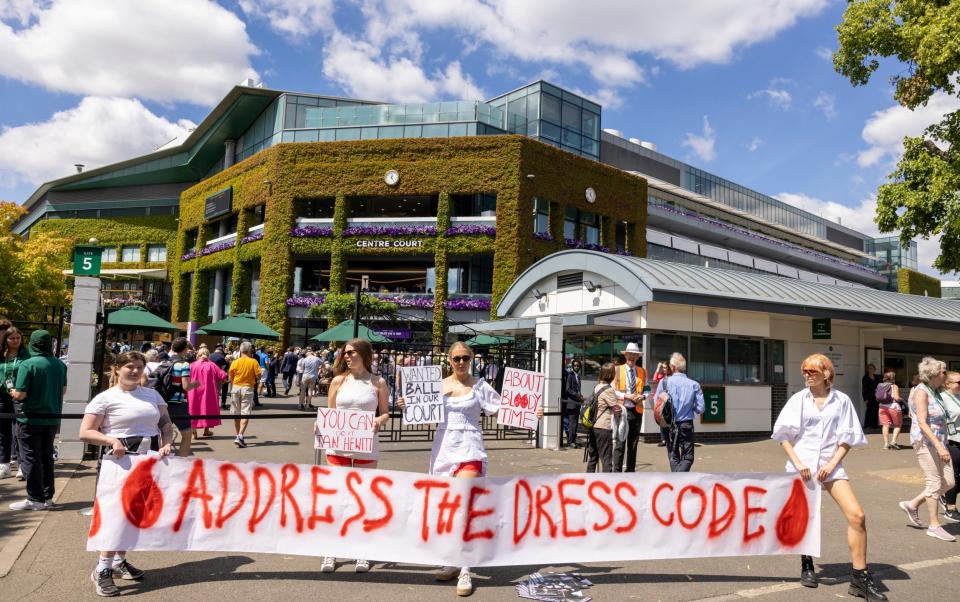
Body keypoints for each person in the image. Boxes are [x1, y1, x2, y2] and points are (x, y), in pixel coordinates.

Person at [397, 341, 539, 597]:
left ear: (471, 358)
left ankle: (465, 567)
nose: (461, 362)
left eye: (465, 358)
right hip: (443, 449)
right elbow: (420, 410)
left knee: (465, 506)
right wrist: (406, 404)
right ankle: (451, 561)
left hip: (470, 447)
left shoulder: (480, 386)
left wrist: (529, 411)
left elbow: (501, 409)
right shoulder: (437, 386)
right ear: (449, 360)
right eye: (456, 358)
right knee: (449, 508)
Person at [772, 353, 886, 600]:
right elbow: (783, 436)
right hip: (801, 467)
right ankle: (807, 565)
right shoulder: (798, 400)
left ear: (826, 373)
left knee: (857, 515)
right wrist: (799, 463)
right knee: (806, 518)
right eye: (804, 371)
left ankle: (860, 579)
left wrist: (832, 463)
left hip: (831, 467)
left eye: (812, 371)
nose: (807, 375)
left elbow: (847, 437)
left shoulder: (841, 400)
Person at [79, 351, 174, 597]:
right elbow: (86, 432)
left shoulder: (152, 394)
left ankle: (119, 561)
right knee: (115, 515)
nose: (134, 371)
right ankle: (102, 569)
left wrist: (166, 443)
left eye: (139, 367)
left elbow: (165, 423)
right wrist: (111, 440)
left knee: (136, 514)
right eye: (129, 367)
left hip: (148, 460)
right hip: (119, 463)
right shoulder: (105, 398)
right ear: (117, 369)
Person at [319, 338, 390, 575]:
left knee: (364, 499)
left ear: (364, 355)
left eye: (351, 353)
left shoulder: (378, 382)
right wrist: (320, 425)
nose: (347, 357)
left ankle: (363, 550)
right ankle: (331, 549)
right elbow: (330, 412)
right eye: (345, 353)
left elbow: (386, 412)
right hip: (338, 447)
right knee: (337, 498)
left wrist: (380, 419)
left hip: (365, 446)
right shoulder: (338, 381)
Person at [7, 330, 67, 511]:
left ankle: (35, 498)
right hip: (52, 417)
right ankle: (47, 496)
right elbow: (63, 391)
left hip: (30, 417)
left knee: (31, 457)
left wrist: (10, 389)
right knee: (47, 457)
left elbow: (20, 394)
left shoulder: (28, 364)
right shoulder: (60, 364)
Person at [898, 357, 956, 541]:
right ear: (934, 374)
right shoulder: (921, 392)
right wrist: (940, 447)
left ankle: (913, 504)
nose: (945, 374)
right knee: (934, 482)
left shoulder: (935, 391)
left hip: (939, 441)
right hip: (926, 442)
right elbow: (922, 423)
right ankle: (934, 525)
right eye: (943, 371)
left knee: (949, 482)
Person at [654, 353, 704, 472]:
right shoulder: (694, 385)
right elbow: (700, 408)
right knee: (688, 456)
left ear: (673, 367)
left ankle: (676, 481)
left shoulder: (664, 382)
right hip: (686, 423)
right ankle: (679, 480)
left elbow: (657, 402)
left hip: (668, 424)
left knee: (673, 454)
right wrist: (690, 409)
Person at [611, 342, 647, 472]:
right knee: (620, 442)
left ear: (638, 357)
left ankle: (630, 472)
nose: (632, 357)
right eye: (630, 354)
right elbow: (611, 390)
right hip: (622, 410)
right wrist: (627, 396)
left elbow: (647, 390)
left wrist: (642, 397)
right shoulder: (617, 370)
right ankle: (617, 472)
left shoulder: (642, 371)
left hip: (637, 411)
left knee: (633, 444)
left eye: (635, 355)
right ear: (626, 355)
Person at [1, 326, 29, 479]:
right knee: (2, 430)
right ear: (6, 339)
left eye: (18, 338)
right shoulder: (1, 354)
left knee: (18, 430)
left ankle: (21, 465)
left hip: (19, 394)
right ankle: (4, 464)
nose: (15, 341)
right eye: (12, 338)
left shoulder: (25, 355)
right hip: (3, 394)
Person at [165, 338, 198, 457]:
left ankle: (162, 462)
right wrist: (196, 384)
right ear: (185, 349)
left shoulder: (164, 362)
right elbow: (186, 386)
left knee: (165, 433)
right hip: (178, 404)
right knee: (187, 434)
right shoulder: (183, 364)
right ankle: (180, 462)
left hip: (163, 403)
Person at [586, 362, 619, 473]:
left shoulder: (597, 387)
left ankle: (588, 481)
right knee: (606, 459)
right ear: (611, 375)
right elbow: (616, 408)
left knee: (593, 457)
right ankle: (607, 485)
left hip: (593, 425)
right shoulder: (609, 390)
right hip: (603, 427)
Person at [227, 342, 261, 448]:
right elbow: (259, 376)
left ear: (241, 350)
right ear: (250, 350)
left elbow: (230, 377)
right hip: (247, 388)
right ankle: (240, 435)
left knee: (236, 413)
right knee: (245, 412)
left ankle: (239, 435)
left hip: (236, 388)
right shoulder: (253, 361)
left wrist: (234, 384)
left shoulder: (235, 362)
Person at [188, 348, 227, 439]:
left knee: (194, 409)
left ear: (198, 355)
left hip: (194, 391)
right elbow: (222, 375)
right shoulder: (211, 365)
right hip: (208, 392)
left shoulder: (192, 365)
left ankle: (194, 431)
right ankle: (206, 430)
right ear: (208, 355)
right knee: (207, 409)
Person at [939, 371, 960, 522]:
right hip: (951, 440)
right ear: (948, 384)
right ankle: (950, 507)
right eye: (958, 382)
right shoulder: (942, 398)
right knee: (955, 475)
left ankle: (944, 494)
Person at [876, 369, 904, 450]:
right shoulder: (894, 386)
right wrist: (901, 399)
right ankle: (893, 442)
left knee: (885, 425)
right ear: (892, 378)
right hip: (893, 407)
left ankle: (886, 444)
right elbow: (896, 398)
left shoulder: (879, 385)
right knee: (897, 425)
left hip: (882, 407)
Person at [561, 359, 584, 448]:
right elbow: (568, 389)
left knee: (575, 424)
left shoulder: (577, 376)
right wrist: (578, 396)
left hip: (576, 403)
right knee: (572, 424)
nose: (576, 367)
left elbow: (577, 389)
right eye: (575, 366)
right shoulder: (570, 375)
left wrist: (580, 397)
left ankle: (573, 441)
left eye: (578, 366)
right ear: (572, 366)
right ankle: (570, 442)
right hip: (571, 403)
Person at [652, 361, 670, 447]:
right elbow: (655, 379)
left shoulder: (674, 378)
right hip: (663, 402)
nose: (664, 369)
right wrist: (656, 405)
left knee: (671, 421)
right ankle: (664, 440)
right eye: (663, 368)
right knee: (663, 420)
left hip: (671, 403)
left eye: (665, 367)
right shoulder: (662, 379)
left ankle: (670, 439)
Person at [209, 344, 230, 409]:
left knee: (212, 391)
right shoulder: (221, 357)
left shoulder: (209, 356)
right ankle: (223, 403)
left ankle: (211, 403)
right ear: (221, 352)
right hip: (220, 377)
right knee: (224, 389)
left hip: (210, 376)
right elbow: (224, 369)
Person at [861, 363, 881, 429]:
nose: (871, 370)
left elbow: (881, 385)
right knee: (869, 411)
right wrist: (865, 398)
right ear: (867, 370)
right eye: (869, 368)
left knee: (876, 410)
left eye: (872, 368)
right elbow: (864, 388)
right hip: (869, 397)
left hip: (877, 396)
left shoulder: (877, 377)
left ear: (874, 369)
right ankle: (867, 425)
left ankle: (874, 425)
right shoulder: (865, 378)